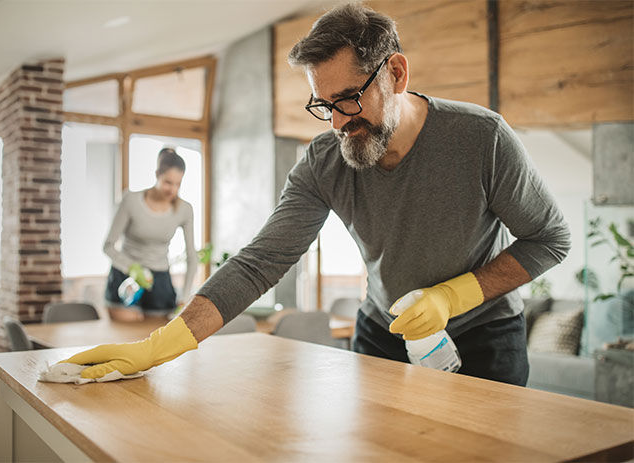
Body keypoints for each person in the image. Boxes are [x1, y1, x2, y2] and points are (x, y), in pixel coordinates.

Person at [64, 4, 570, 385]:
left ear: (396, 73)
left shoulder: (482, 139)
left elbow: (550, 237)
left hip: (484, 336)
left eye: (349, 99)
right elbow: (261, 261)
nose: (340, 123)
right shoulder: (325, 160)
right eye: (324, 105)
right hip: (383, 334)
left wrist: (452, 296)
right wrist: (162, 344)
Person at [102, 147, 197, 321]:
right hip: (125, 276)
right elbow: (108, 246)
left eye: (178, 184)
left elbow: (192, 257)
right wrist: (131, 267)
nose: (173, 189)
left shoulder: (184, 210)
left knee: (156, 339)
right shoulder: (131, 200)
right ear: (156, 175)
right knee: (125, 337)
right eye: (168, 182)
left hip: (159, 281)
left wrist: (184, 297)